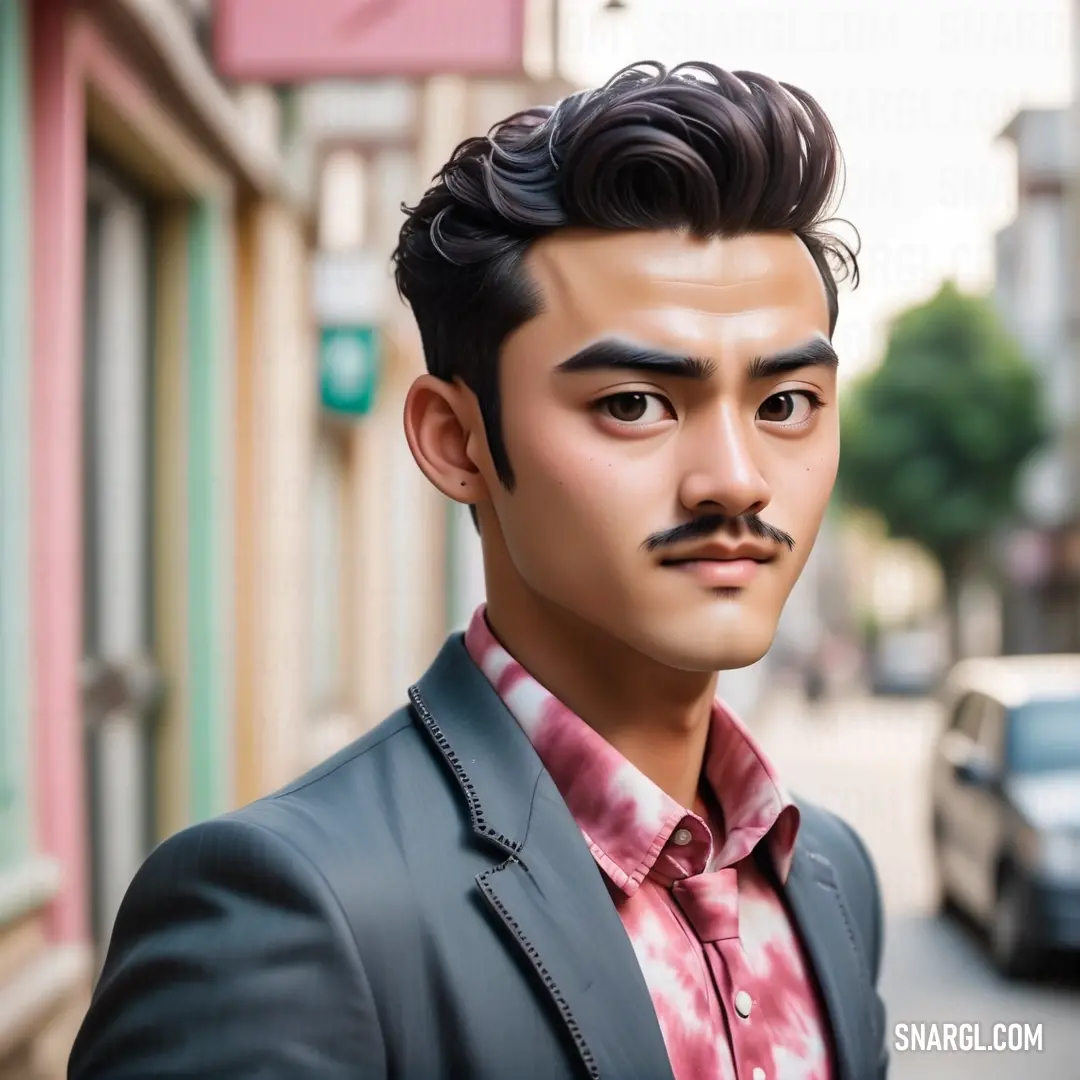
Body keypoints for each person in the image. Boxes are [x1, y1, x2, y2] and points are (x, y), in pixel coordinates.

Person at [69, 61, 889, 1080]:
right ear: (455, 440)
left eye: (785, 405)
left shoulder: (831, 878)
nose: (735, 480)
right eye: (633, 402)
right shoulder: (288, 913)